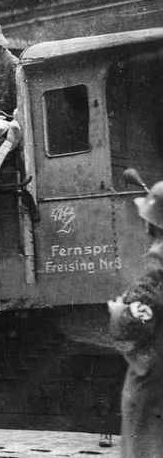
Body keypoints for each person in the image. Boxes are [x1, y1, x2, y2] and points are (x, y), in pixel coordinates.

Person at [108, 180, 163, 457]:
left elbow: (134, 322)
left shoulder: (156, 265)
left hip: (153, 376)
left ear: (152, 225)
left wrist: (119, 311)